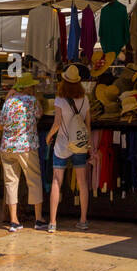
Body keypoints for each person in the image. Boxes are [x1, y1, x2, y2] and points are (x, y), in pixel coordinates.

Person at [46, 64, 91, 233]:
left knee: (57, 181)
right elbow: (87, 124)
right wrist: (88, 143)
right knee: (82, 181)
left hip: (62, 144)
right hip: (79, 143)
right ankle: (83, 220)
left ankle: (52, 222)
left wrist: (49, 136)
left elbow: (57, 124)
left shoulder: (59, 100)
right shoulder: (85, 99)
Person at [0, 73, 46, 232]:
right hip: (26, 146)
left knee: (11, 182)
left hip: (7, 147)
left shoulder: (8, 102)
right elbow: (40, 113)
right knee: (34, 179)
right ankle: (38, 219)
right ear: (28, 87)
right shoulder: (32, 101)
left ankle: (14, 220)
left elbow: (1, 125)